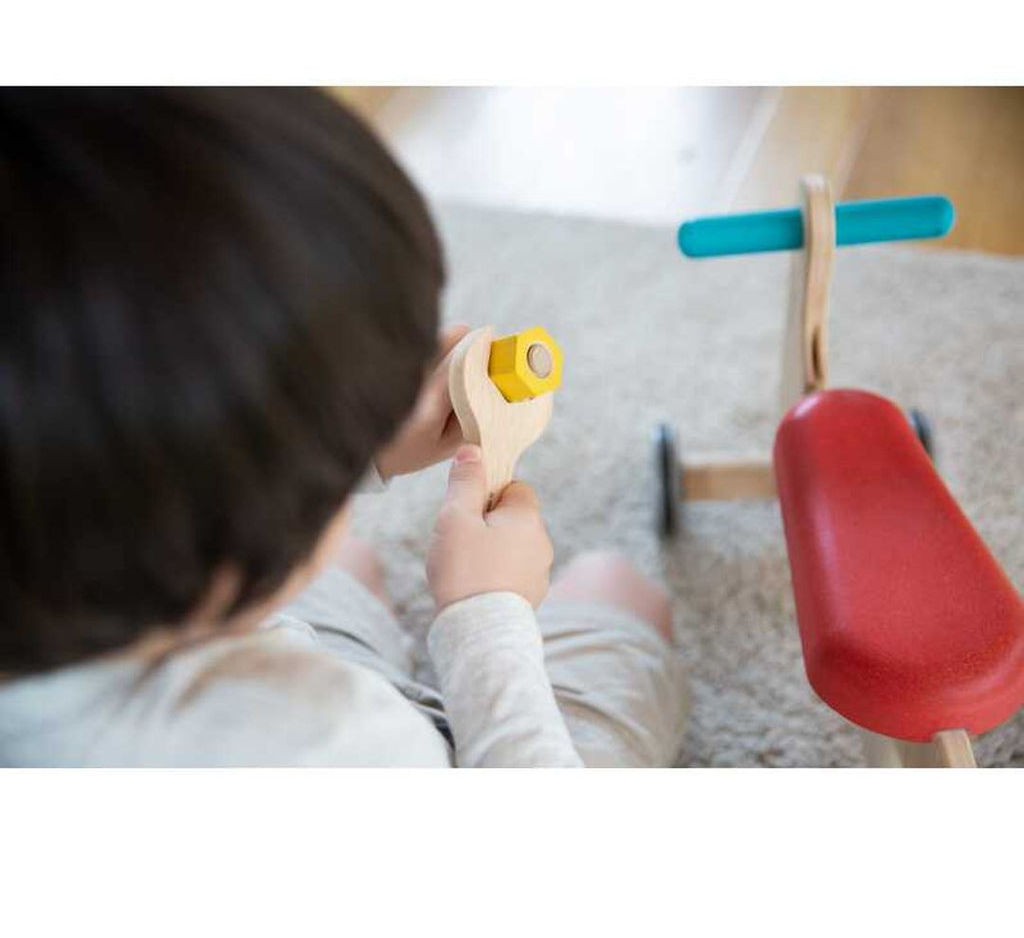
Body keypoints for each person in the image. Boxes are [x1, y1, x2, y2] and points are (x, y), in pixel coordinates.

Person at [0, 87, 688, 767]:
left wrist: (358, 455)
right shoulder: (334, 742)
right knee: (612, 586)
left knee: (348, 564)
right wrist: (486, 620)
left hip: (258, 661)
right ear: (216, 552)